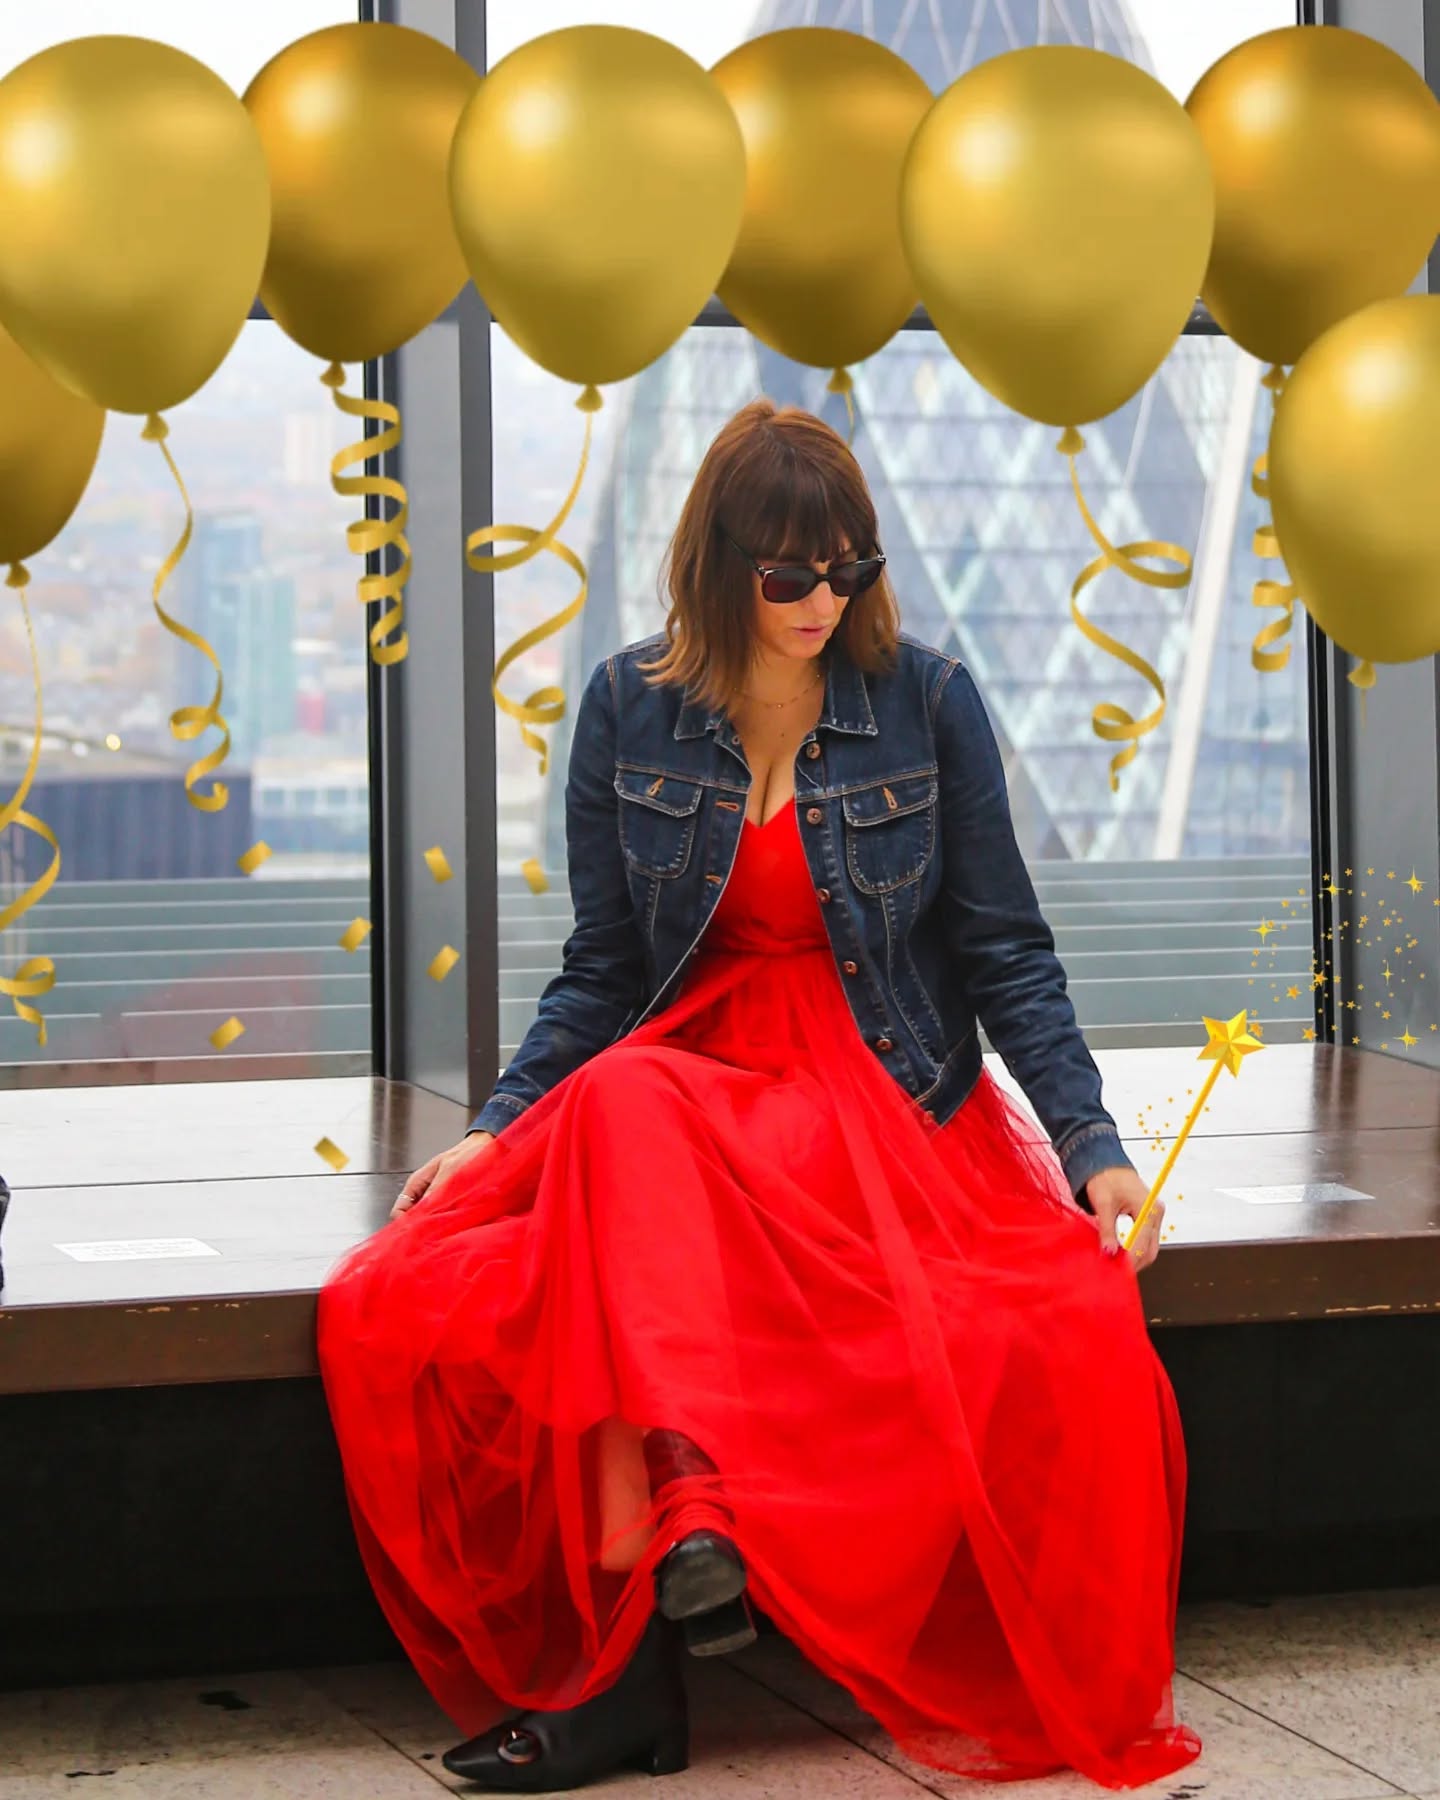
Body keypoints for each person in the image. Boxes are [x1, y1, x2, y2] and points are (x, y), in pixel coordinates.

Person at [318, 399, 1199, 1792]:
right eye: (788, 572)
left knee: (627, 1125)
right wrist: (494, 1128)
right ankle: (686, 1535)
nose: (819, 600)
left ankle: (640, 1620)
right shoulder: (628, 706)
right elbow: (606, 971)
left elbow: (1004, 950)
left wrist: (1093, 1146)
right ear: (715, 565)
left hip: (875, 1096)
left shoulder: (929, 701)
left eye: (846, 567)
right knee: (452, 1252)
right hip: (686, 1084)